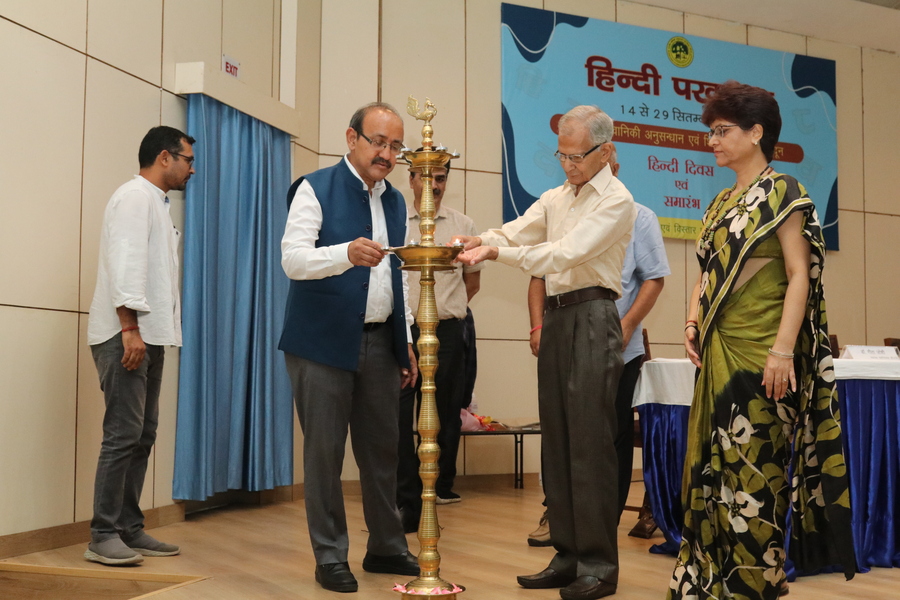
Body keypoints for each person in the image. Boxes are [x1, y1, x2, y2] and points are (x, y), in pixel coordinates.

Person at [668, 81, 856, 600]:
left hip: (762, 356)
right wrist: (691, 320)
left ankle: (754, 586)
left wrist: (781, 350)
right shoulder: (719, 203)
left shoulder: (784, 192)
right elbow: (707, 273)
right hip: (718, 351)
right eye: (710, 131)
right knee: (712, 474)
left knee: (754, 475)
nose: (712, 140)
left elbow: (799, 275)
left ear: (756, 133)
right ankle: (709, 585)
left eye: (721, 130)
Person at [454, 105, 636, 600]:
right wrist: (480, 239)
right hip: (556, 319)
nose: (568, 165)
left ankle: (598, 565)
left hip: (593, 316)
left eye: (577, 156)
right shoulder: (557, 197)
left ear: (606, 151)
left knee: (589, 443)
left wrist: (496, 253)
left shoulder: (617, 200)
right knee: (556, 440)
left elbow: (563, 253)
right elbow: (519, 230)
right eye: (562, 155)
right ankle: (567, 556)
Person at [280, 102, 420, 593]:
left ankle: (386, 546)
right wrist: (344, 253)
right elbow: (293, 260)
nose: (387, 154)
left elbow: (399, 277)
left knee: (383, 452)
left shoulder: (396, 202)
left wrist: (406, 341)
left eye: (395, 146)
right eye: (378, 142)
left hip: (381, 341)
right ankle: (330, 555)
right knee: (325, 454)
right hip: (320, 343)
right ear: (351, 138)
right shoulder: (314, 187)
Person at [526, 146, 670, 547]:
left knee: (610, 437)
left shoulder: (638, 216)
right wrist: (537, 325)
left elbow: (654, 279)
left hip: (616, 345)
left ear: (613, 168)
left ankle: (603, 521)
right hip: (563, 339)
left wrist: (626, 327)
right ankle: (557, 516)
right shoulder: (560, 210)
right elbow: (538, 274)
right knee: (559, 431)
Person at [85, 126, 195, 565]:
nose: (192, 169)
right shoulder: (134, 197)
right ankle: (102, 534)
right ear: (165, 157)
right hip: (126, 335)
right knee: (123, 434)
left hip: (151, 336)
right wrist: (130, 328)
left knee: (142, 433)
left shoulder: (156, 203)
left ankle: (128, 527)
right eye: (188, 160)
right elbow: (125, 263)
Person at [396, 160, 483, 532]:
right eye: (426, 177)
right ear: (412, 179)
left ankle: (441, 486)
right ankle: (406, 493)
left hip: (447, 330)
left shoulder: (463, 226)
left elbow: (472, 283)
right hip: (403, 330)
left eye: (441, 178)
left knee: (445, 410)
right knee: (401, 411)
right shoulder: (397, 221)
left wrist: (447, 310)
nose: (434, 185)